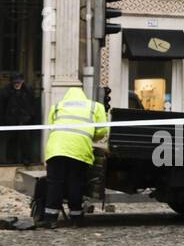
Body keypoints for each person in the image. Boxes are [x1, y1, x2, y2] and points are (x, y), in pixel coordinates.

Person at [38, 85, 108, 230]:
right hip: (79, 150)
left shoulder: (57, 106)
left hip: (56, 149)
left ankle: (50, 219)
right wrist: (89, 135)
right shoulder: (95, 107)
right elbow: (102, 131)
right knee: (75, 183)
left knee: (54, 183)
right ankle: (76, 218)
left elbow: (52, 126)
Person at [2, 74, 42, 165]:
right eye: (15, 82)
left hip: (25, 119)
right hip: (11, 119)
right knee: (12, 140)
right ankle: (11, 160)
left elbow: (31, 104)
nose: (17, 84)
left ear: (22, 81)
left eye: (19, 82)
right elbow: (4, 106)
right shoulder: (6, 91)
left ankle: (26, 159)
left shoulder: (28, 90)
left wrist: (29, 116)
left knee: (25, 140)